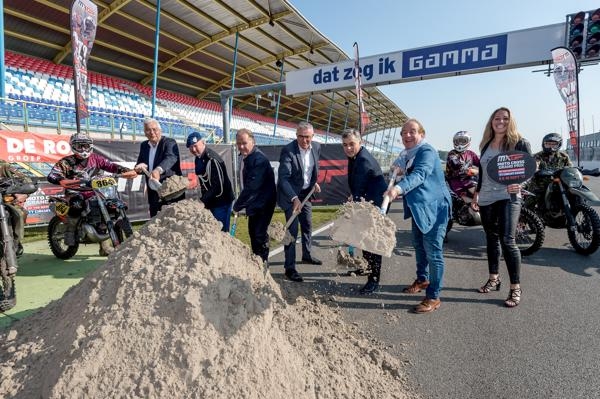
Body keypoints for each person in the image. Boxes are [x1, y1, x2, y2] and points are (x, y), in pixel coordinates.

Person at [385, 118, 451, 314]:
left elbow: (420, 174)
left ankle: (433, 296)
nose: (407, 135)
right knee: (418, 245)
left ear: (422, 134)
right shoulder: (407, 153)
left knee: (433, 252)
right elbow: (399, 166)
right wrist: (395, 169)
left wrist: (397, 188)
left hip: (435, 208)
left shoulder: (427, 152)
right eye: (404, 132)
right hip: (418, 209)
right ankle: (422, 279)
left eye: (412, 131)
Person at [471, 107, 532, 308]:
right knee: (491, 238)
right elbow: (482, 171)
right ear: (491, 121)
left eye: (505, 118)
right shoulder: (486, 144)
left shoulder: (519, 142)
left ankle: (515, 287)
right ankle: (494, 278)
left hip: (508, 196)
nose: (501, 122)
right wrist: (477, 193)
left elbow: (529, 168)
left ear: (510, 121)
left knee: (508, 240)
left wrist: (521, 185)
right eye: (497, 118)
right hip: (487, 197)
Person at [47, 133, 138, 255]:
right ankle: (70, 232)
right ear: (73, 147)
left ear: (90, 146)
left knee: (111, 205)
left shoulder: (96, 159)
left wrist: (126, 171)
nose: (83, 149)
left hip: (96, 191)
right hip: (75, 192)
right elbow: (53, 175)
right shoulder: (66, 162)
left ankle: (105, 245)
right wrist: (60, 179)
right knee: (76, 204)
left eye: (85, 146)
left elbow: (111, 166)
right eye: (79, 146)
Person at [341, 129, 389, 294]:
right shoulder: (355, 156)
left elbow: (360, 189)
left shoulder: (362, 160)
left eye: (352, 144)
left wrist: (350, 213)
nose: (348, 148)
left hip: (375, 203)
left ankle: (374, 280)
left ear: (360, 143)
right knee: (363, 239)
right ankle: (367, 268)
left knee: (371, 242)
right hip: (367, 199)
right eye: (345, 145)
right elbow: (357, 186)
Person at [277, 121, 322, 283]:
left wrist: (313, 182)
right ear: (296, 136)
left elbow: (310, 169)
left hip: (306, 194)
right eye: (301, 137)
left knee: (308, 225)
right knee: (292, 230)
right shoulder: (288, 150)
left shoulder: (316, 147)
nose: (304, 140)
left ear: (313, 136)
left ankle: (307, 255)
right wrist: (294, 198)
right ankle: (289, 268)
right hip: (291, 195)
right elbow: (283, 178)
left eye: (308, 137)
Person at [232, 128, 276, 263]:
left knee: (259, 235)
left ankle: (262, 264)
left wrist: (237, 206)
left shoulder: (259, 160)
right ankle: (258, 261)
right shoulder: (247, 157)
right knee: (253, 234)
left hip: (263, 204)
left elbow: (252, 187)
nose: (241, 146)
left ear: (253, 141)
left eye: (244, 143)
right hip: (255, 203)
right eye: (238, 143)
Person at [134, 118, 184, 218]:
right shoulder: (144, 145)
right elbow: (140, 163)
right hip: (153, 191)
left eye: (154, 129)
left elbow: (171, 158)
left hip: (171, 191)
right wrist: (139, 167)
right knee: (155, 219)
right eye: (148, 130)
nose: (152, 132)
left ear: (160, 130)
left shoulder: (169, 142)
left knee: (173, 220)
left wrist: (158, 170)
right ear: (145, 132)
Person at [186, 131, 234, 232]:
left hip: (221, 201)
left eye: (195, 146)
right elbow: (203, 180)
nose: (193, 149)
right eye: (191, 147)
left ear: (203, 143)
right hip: (211, 201)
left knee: (220, 232)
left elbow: (218, 187)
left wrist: (202, 201)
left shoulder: (212, 159)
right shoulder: (198, 158)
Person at [525, 132, 572, 209]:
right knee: (530, 202)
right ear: (544, 144)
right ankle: (525, 218)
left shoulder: (564, 156)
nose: (551, 146)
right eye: (548, 144)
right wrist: (536, 169)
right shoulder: (538, 156)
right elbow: (535, 165)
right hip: (539, 185)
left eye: (554, 144)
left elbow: (570, 168)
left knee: (573, 195)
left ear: (559, 144)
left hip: (559, 185)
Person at [0, 159, 34, 260]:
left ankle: (16, 242)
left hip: (6, 201)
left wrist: (24, 194)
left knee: (21, 213)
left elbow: (26, 179)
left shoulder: (4, 165)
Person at [445, 131, 480, 201]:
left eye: (463, 141)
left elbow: (482, 164)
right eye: (458, 141)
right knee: (469, 200)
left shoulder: (471, 154)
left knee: (482, 192)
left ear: (468, 142)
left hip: (469, 181)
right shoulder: (452, 154)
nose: (460, 144)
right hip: (455, 182)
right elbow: (460, 167)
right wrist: (478, 171)